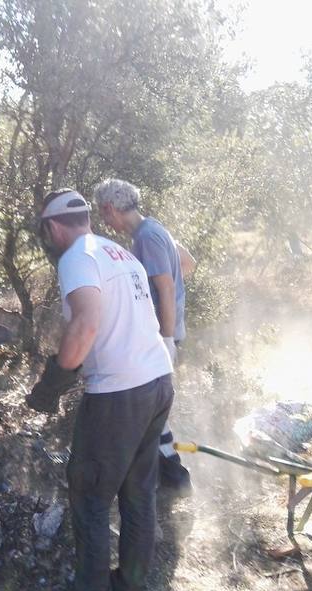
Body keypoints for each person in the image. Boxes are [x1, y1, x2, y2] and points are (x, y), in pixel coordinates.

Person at [26, 188, 174, 591]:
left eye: (46, 233)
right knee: (137, 495)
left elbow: (86, 323)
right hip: (157, 382)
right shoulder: (118, 253)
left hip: (118, 395)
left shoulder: (76, 256)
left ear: (53, 228)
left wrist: (53, 380)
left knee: (89, 494)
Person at [94, 178, 194, 496]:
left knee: (149, 410)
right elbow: (188, 263)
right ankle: (168, 479)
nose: (106, 223)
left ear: (111, 208)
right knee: (152, 410)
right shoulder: (155, 229)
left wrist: (165, 337)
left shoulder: (147, 237)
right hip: (168, 331)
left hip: (162, 335)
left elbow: (164, 288)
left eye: (103, 215)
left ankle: (174, 478)